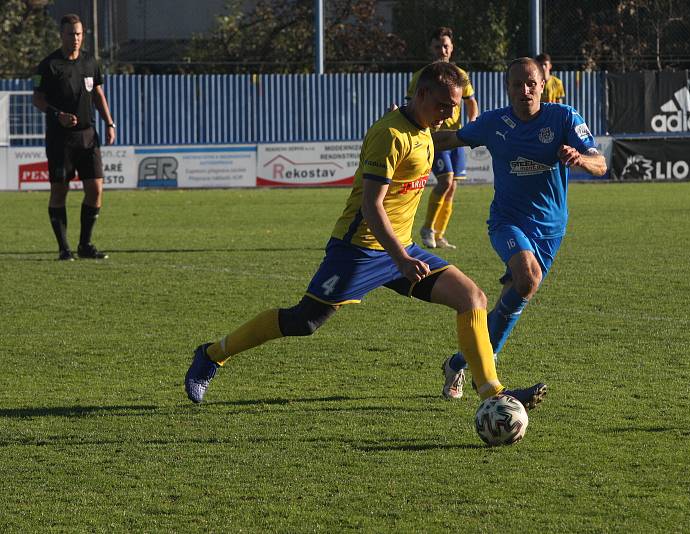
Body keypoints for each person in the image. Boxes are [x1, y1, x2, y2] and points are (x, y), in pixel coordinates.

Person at [184, 61, 546, 414]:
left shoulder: (423, 128)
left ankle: (492, 393)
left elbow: (451, 136)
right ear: (420, 94)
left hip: (401, 248)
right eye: (441, 106)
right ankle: (212, 355)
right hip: (358, 249)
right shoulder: (390, 135)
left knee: (473, 298)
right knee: (303, 322)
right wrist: (401, 259)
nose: (447, 115)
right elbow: (372, 206)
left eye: (452, 108)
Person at [433, 57, 607, 399]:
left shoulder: (564, 118)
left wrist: (580, 159)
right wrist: (404, 126)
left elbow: (599, 163)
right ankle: (487, 377)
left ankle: (458, 363)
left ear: (543, 85)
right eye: (517, 84)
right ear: (507, 87)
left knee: (517, 295)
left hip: (551, 229)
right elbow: (450, 138)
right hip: (507, 222)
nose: (525, 90)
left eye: (531, 84)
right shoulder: (494, 122)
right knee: (527, 278)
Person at [32, 13, 116, 261]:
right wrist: (57, 115)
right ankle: (63, 248)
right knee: (60, 191)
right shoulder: (48, 65)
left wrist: (109, 122)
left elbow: (98, 94)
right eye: (71, 34)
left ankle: (85, 245)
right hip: (61, 139)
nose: (76, 38)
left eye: (79, 34)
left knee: (96, 189)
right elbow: (37, 99)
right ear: (62, 35)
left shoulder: (90, 62)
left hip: (89, 136)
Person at [407, 27, 479, 249]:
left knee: (453, 186)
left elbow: (470, 101)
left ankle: (439, 234)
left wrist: (473, 119)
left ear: (452, 48)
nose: (442, 50)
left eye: (446, 45)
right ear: (431, 48)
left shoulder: (460, 75)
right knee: (445, 181)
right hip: (435, 137)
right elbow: (411, 104)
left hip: (456, 138)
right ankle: (427, 228)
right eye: (438, 46)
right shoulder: (421, 77)